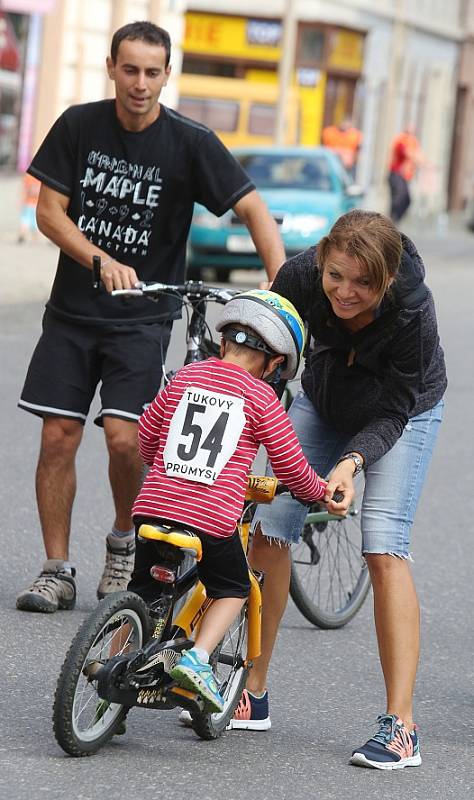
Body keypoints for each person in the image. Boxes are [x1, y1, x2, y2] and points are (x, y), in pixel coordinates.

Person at [16, 21, 286, 614]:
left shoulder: (190, 142)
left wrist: (278, 287)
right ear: (112, 68)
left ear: (168, 74)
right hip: (72, 314)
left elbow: (253, 208)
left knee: (124, 440)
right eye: (130, 69)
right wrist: (100, 258)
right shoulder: (79, 125)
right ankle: (55, 568)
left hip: (142, 319)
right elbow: (48, 212)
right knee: (58, 435)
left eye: (152, 72)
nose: (140, 83)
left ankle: (122, 539)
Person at [227, 210, 447, 770]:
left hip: (404, 413)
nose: (345, 293)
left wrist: (350, 462)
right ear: (322, 261)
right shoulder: (301, 276)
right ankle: (252, 693)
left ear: (387, 280)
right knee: (271, 529)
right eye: (336, 277)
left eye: (363, 284)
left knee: (383, 544)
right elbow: (268, 355)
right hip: (325, 397)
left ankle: (402, 727)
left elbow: (397, 407)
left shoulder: (412, 311)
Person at [128, 290, 331, 712]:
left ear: (222, 343)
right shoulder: (263, 399)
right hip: (210, 519)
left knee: (143, 594)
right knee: (234, 587)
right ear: (275, 365)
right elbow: (291, 466)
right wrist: (317, 494)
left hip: (152, 506)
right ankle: (199, 659)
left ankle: (114, 662)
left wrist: (157, 463)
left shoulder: (185, 378)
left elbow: (147, 434)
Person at [388, 125, 423, 223]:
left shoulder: (412, 141)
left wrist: (427, 164)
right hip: (396, 174)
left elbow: (418, 154)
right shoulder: (401, 140)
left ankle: (395, 220)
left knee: (406, 200)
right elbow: (408, 153)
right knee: (398, 198)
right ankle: (392, 220)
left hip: (404, 176)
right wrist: (421, 162)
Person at [17, 173, 41, 244]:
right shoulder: (40, 177)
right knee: (35, 222)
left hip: (27, 203)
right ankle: (35, 238)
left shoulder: (28, 176)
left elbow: (23, 189)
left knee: (25, 220)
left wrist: (20, 200)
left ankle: (22, 235)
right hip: (36, 204)